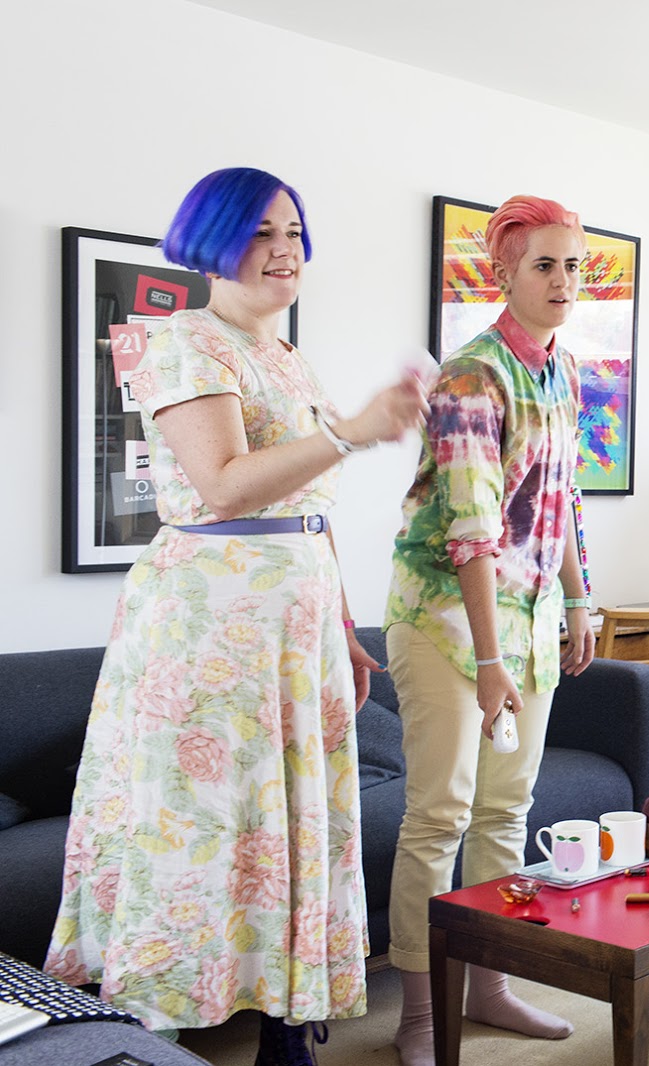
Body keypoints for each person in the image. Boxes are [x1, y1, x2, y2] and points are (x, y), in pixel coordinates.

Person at [43, 167, 430, 1065]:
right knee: (198, 822)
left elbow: (307, 511)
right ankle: (155, 1031)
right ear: (211, 241)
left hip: (296, 623)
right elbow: (221, 487)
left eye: (293, 232)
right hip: (210, 623)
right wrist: (350, 430)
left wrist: (341, 625)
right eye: (260, 232)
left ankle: (288, 1027)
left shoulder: (286, 356)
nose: (284, 250)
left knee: (292, 821)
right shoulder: (183, 341)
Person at [382, 194, 596, 1066]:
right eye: (544, 265)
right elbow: (471, 530)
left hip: (530, 616)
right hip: (447, 623)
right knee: (440, 815)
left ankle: (491, 986)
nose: (563, 281)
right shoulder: (471, 378)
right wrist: (490, 657)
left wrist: (578, 602)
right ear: (504, 274)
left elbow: (560, 501)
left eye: (573, 265)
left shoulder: (564, 369)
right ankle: (421, 1011)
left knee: (508, 810)